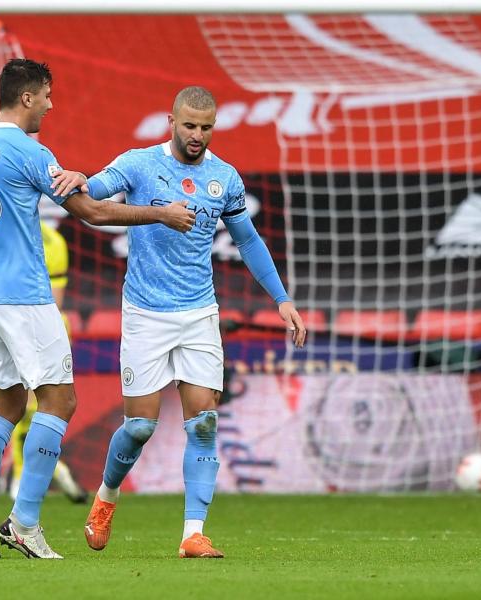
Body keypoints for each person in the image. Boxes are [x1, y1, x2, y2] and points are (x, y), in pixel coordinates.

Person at [0, 58, 195, 559]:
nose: (52, 105)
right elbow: (93, 211)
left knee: (7, 405)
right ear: (28, 97)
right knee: (59, 402)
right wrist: (160, 213)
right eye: (48, 96)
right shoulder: (30, 151)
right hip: (22, 295)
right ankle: (25, 522)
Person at [61, 86, 308, 558]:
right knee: (139, 427)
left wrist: (281, 299)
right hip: (145, 313)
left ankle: (192, 533)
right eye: (190, 125)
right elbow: (92, 198)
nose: (197, 135)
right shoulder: (139, 164)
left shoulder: (224, 178)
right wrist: (80, 180)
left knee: (205, 422)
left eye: (206, 127)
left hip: (199, 313)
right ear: (172, 120)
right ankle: (106, 498)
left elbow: (249, 242)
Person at [8, 221, 88, 504]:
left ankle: (23, 476)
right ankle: (50, 468)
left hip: (13, 324)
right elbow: (56, 300)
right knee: (44, 406)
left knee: (18, 404)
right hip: (51, 325)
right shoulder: (53, 240)